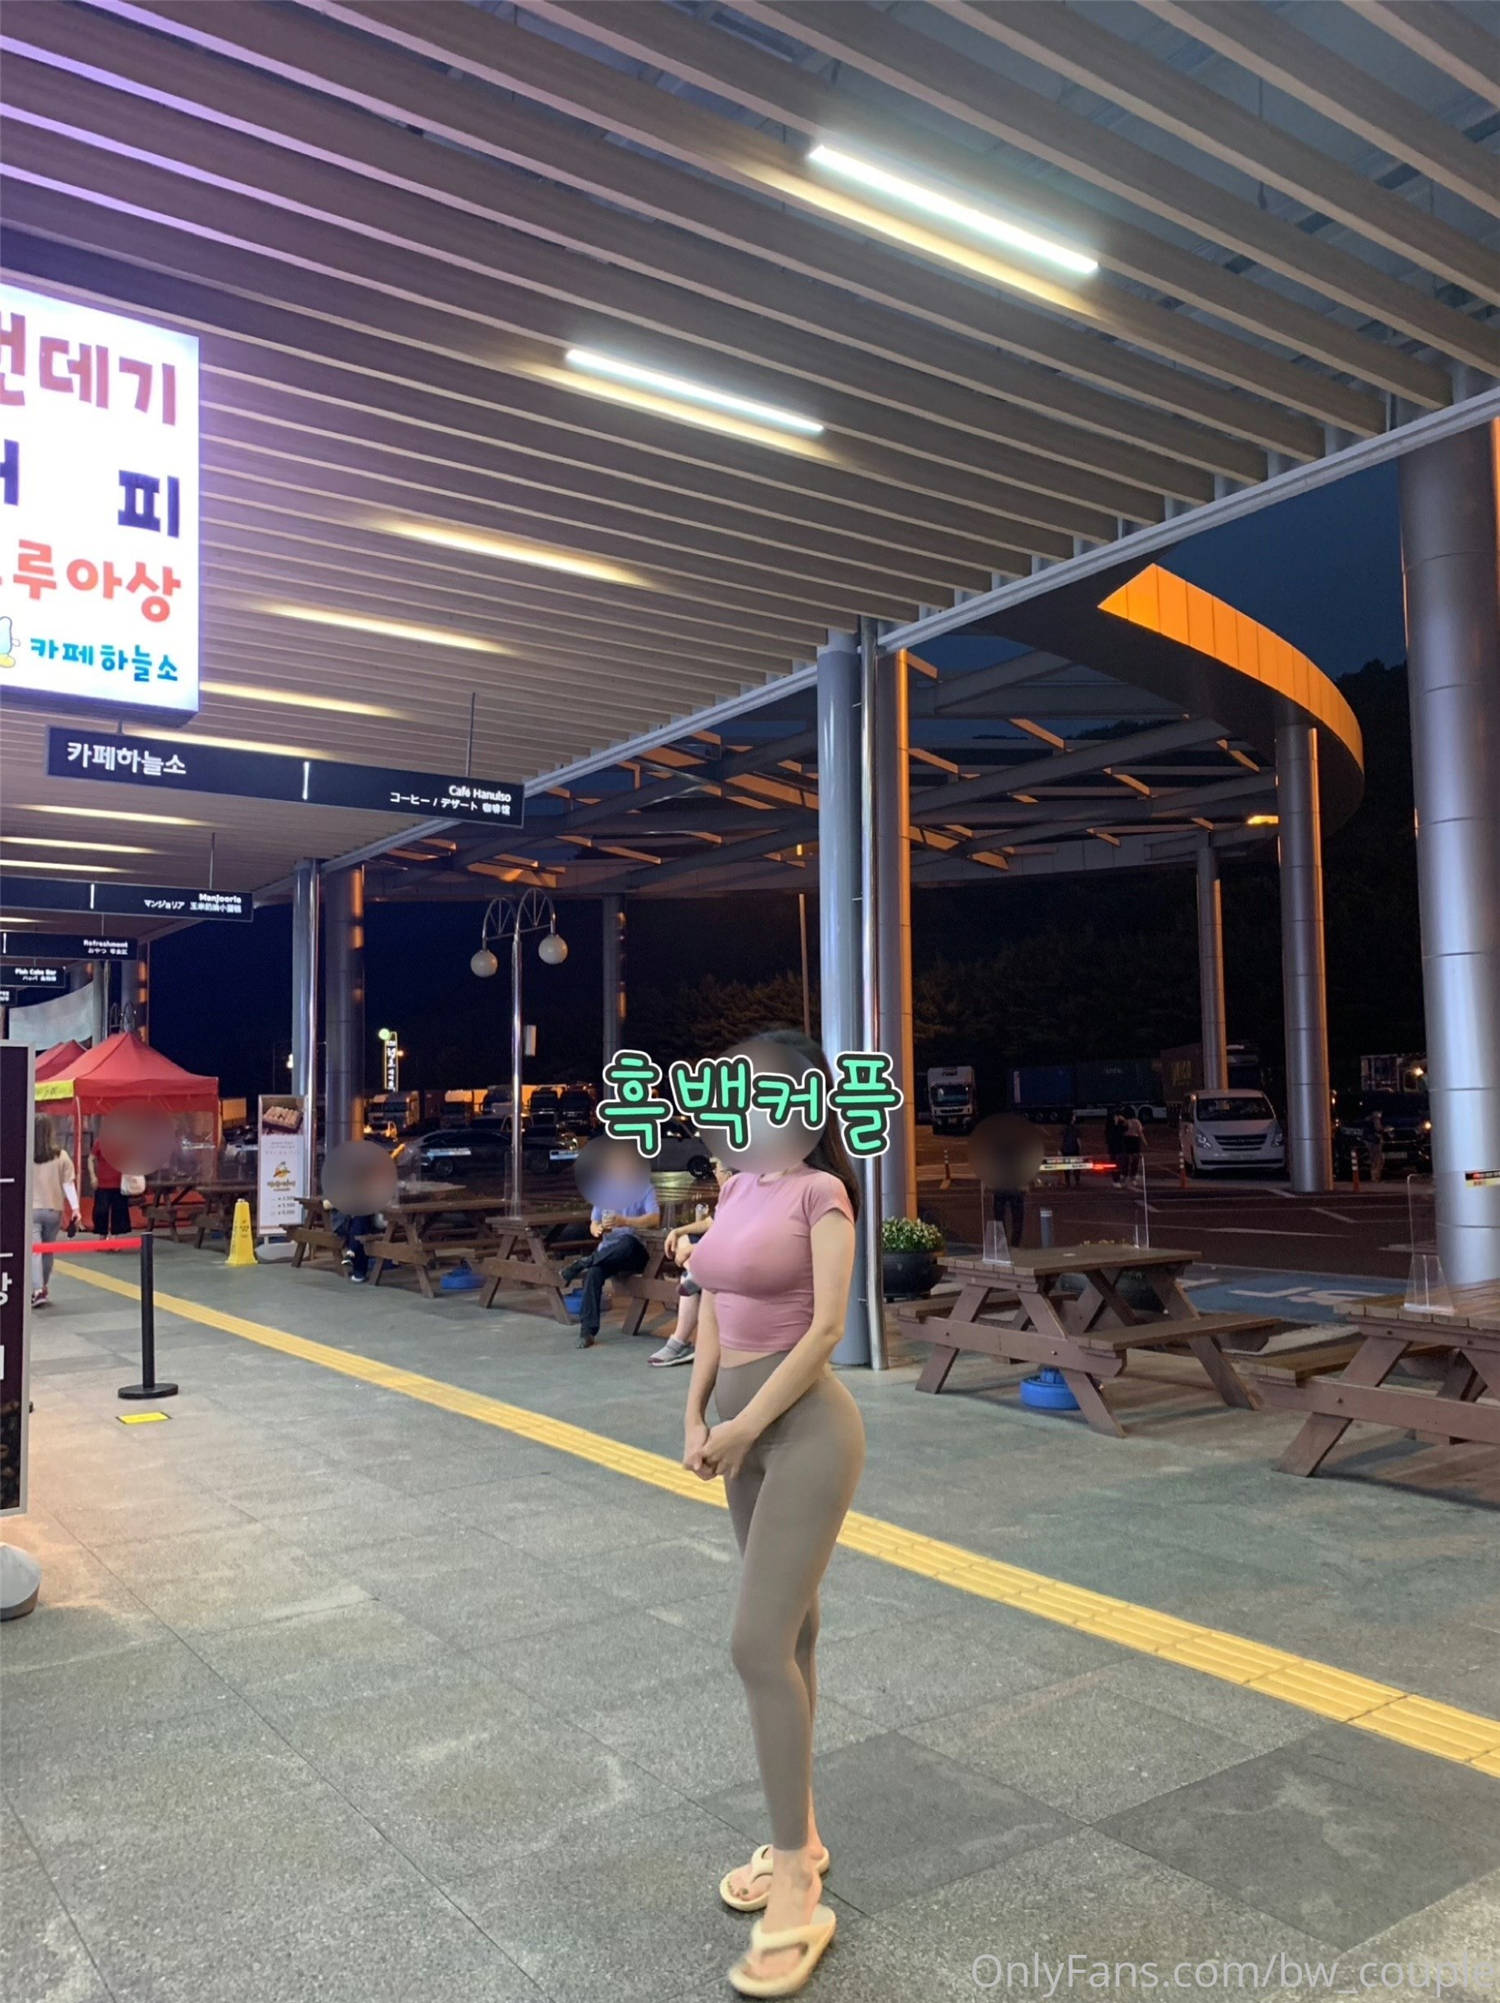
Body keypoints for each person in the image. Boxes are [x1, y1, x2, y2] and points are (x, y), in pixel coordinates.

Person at [683, 1028, 863, 1998]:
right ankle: (805, 1834)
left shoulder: (819, 1193)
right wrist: (695, 1412)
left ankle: (795, 1873)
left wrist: (747, 1425)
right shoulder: (739, 1187)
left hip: (804, 1435)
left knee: (755, 1644)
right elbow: (712, 1303)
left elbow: (828, 1326)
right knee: (792, 1637)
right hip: (741, 1436)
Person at [561, 1140, 661, 1349]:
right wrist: (597, 1228)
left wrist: (625, 1221)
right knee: (594, 1273)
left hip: (635, 1250)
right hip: (608, 1251)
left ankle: (583, 1262)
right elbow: (594, 1223)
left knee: (626, 1242)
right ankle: (587, 1331)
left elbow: (654, 1219)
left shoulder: (645, 1189)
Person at [650, 1161, 729, 1367]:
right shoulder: (728, 1195)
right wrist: (679, 1231)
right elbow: (710, 1223)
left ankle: (678, 1343)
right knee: (684, 1240)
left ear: (728, 1173)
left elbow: (732, 1236)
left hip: (732, 1258)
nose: (714, 1173)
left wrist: (695, 1249)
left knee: (689, 1276)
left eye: (716, 1168)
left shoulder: (744, 1196)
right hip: (716, 1255)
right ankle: (695, 1273)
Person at [31, 1120, 79, 1308]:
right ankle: (43, 1285)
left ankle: (37, 1290)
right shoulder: (62, 1156)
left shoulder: (25, 1155)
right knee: (47, 1250)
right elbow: (68, 1185)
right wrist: (75, 1209)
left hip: (31, 1211)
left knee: (35, 1251)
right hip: (54, 1210)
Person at [89, 1134, 132, 1239]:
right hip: (102, 1184)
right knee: (101, 1211)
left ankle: (114, 1237)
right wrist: (93, 1176)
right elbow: (90, 1159)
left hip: (120, 1184)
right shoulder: (100, 1142)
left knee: (119, 1211)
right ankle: (102, 1236)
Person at [1060, 1112, 1082, 1190]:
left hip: (1066, 1150)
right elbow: (1078, 1140)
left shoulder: (1064, 1128)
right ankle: (1077, 1181)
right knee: (1076, 1166)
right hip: (1074, 1149)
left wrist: (1061, 1149)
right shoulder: (1076, 1129)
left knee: (1067, 1167)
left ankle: (1067, 1181)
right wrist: (1080, 1148)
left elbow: (1062, 1140)